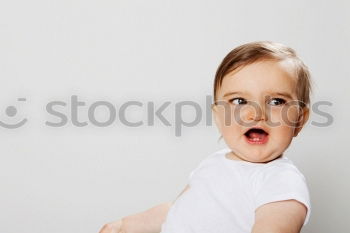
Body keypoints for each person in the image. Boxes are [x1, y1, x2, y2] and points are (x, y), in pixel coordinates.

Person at [99, 41, 312, 233]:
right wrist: (125, 225)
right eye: (239, 101)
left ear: (299, 120)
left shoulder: (281, 182)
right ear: (218, 116)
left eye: (276, 102)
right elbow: (179, 211)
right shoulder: (214, 163)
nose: (255, 113)